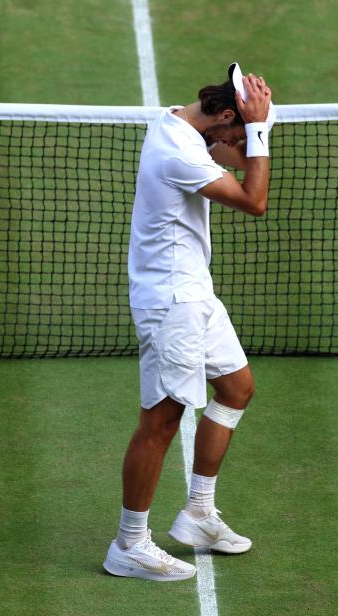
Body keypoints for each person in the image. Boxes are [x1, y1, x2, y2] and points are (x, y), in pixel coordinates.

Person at [103, 64, 275, 581]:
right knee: (160, 421)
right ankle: (129, 544)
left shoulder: (182, 123)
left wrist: (247, 130)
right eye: (236, 127)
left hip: (195, 291)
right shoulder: (179, 151)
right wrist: (258, 133)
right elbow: (254, 199)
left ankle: (199, 514)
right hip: (172, 301)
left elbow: (239, 160)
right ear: (224, 115)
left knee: (237, 388)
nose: (238, 140)